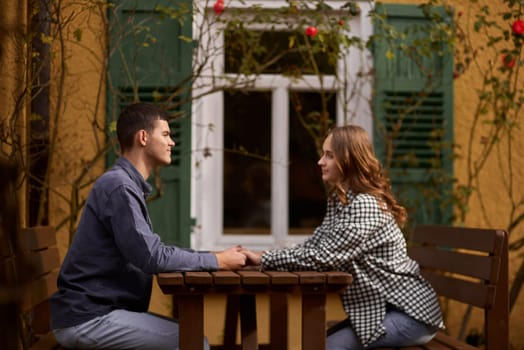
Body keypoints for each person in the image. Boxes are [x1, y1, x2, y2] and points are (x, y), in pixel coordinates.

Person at [50, 102, 247, 349]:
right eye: (165, 134)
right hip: (89, 318)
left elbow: (154, 250)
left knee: (191, 336)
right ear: (143, 137)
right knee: (194, 342)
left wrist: (215, 257)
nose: (172, 142)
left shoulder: (124, 185)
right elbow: (152, 257)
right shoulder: (119, 187)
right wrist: (217, 261)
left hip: (93, 312)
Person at [241, 125, 444, 350]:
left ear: (348, 160)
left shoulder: (364, 204)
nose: (320, 161)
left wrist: (265, 259)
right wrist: (266, 256)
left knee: (326, 347)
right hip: (380, 309)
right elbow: (315, 246)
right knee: (317, 342)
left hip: (411, 315)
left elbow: (325, 258)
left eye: (329, 155)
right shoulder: (342, 201)